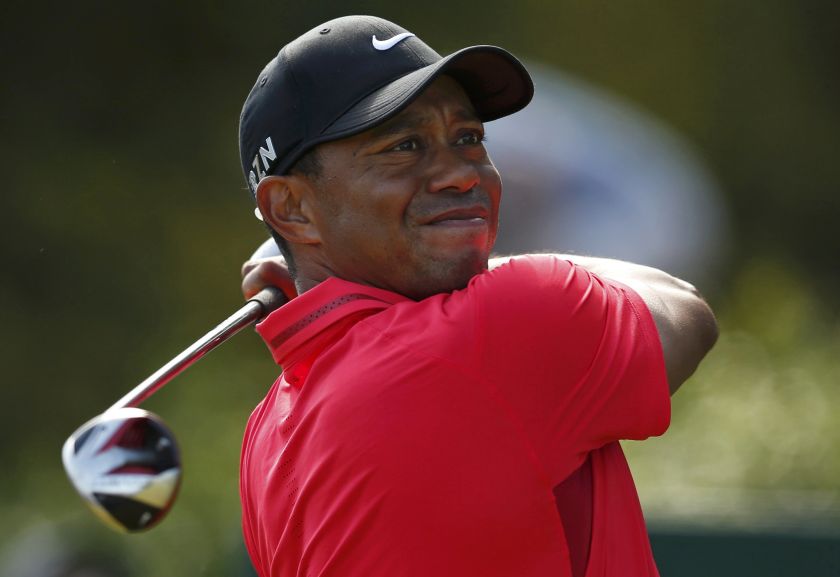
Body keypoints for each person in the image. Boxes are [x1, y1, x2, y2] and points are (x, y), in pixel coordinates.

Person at [236, 15, 717, 577]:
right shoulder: (497, 327)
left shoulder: (265, 437)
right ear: (292, 208)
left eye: (468, 138)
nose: (462, 174)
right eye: (404, 146)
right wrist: (495, 262)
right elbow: (682, 306)